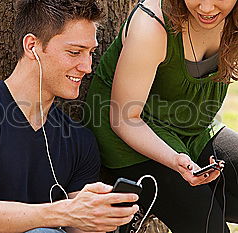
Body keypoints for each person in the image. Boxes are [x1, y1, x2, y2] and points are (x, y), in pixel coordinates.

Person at [0, 0, 141, 232]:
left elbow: (80, 225)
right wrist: (66, 211)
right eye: (74, 52)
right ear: (32, 46)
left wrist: (104, 216)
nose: (87, 66)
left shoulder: (79, 140)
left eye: (90, 53)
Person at [84, 0, 238, 232]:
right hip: (132, 137)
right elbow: (124, 118)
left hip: (194, 128)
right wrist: (175, 160)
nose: (206, 8)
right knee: (209, 227)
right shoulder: (152, 25)